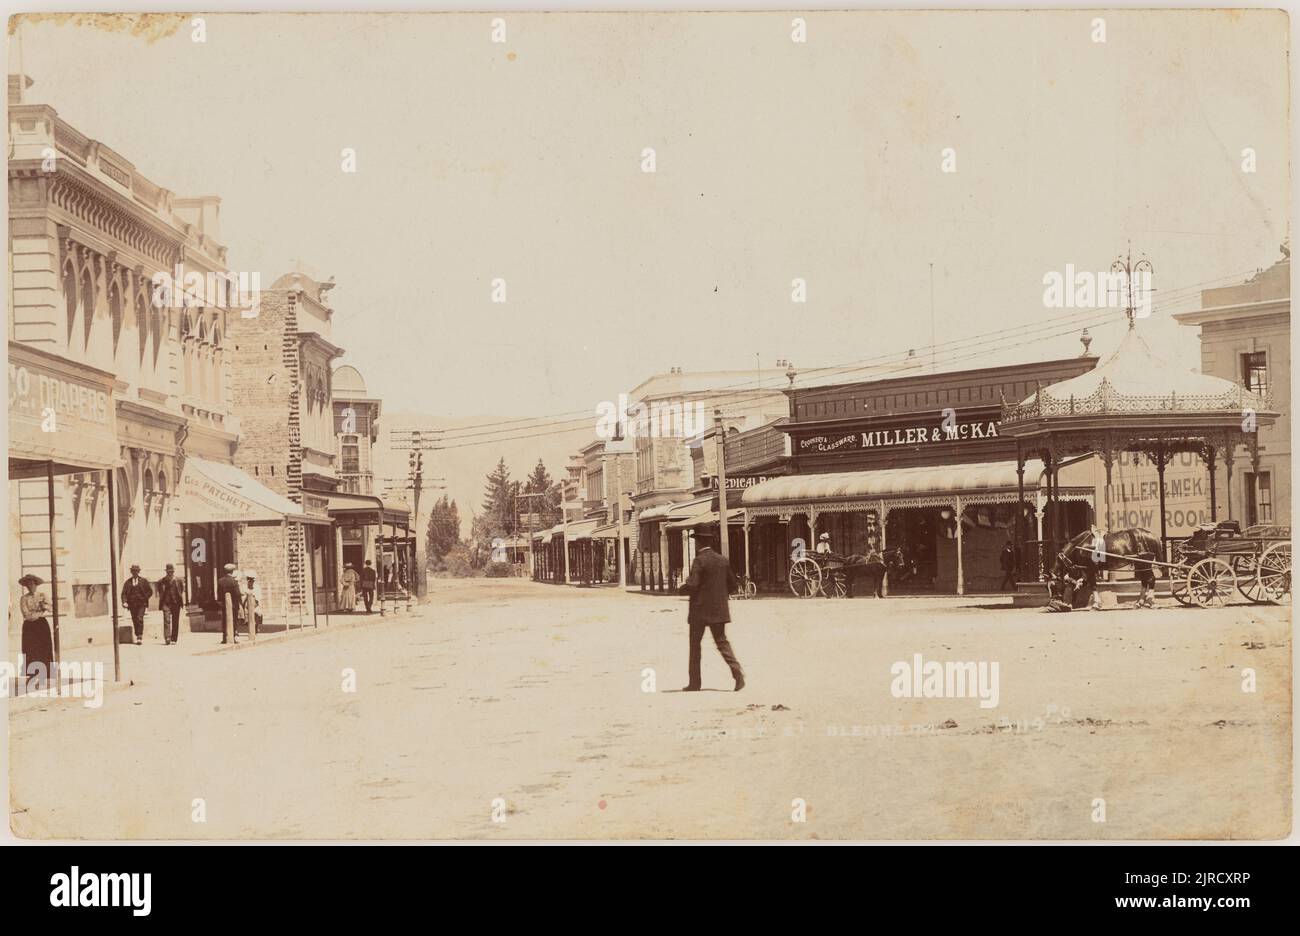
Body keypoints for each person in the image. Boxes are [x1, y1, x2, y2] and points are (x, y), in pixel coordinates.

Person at [677, 530, 745, 692]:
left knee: (695, 646)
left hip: (699, 611)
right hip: (718, 610)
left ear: (699, 542)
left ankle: (695, 683)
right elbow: (733, 586)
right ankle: (738, 674)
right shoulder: (722, 560)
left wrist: (682, 589)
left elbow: (693, 585)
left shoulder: (699, 561)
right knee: (722, 642)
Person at [18, 574, 53, 692]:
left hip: (42, 626)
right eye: (28, 584)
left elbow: (51, 608)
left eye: (33, 584)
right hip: (29, 627)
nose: (31, 586)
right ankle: (33, 675)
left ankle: (43, 677)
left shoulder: (43, 596)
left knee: (44, 649)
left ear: (36, 585)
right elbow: (26, 614)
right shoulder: (24, 598)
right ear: (26, 586)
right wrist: (40, 613)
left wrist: (44, 606)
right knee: (31, 650)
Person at [121, 563, 153, 645]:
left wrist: (145, 598)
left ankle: (139, 636)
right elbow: (124, 593)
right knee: (134, 619)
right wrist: (124, 602)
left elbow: (150, 591)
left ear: (138, 572)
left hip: (141, 604)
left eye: (136, 571)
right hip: (132, 605)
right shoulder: (128, 582)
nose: (135, 573)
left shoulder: (144, 581)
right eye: (133, 571)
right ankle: (137, 634)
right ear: (131, 572)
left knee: (139, 618)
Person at [156, 563, 186, 645]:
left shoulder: (178, 580)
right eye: (168, 572)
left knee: (175, 621)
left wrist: (179, 598)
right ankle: (167, 637)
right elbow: (159, 590)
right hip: (166, 603)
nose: (170, 573)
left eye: (171, 572)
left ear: (173, 572)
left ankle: (174, 639)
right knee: (167, 620)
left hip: (176, 603)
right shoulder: (162, 581)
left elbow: (181, 590)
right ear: (166, 572)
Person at [217, 563, 242, 644]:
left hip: (224, 604)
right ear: (232, 571)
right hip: (234, 605)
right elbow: (238, 593)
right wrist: (240, 603)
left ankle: (224, 637)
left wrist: (220, 602)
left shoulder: (220, 581)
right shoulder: (234, 582)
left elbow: (219, 593)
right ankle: (232, 637)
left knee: (225, 620)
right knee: (233, 620)